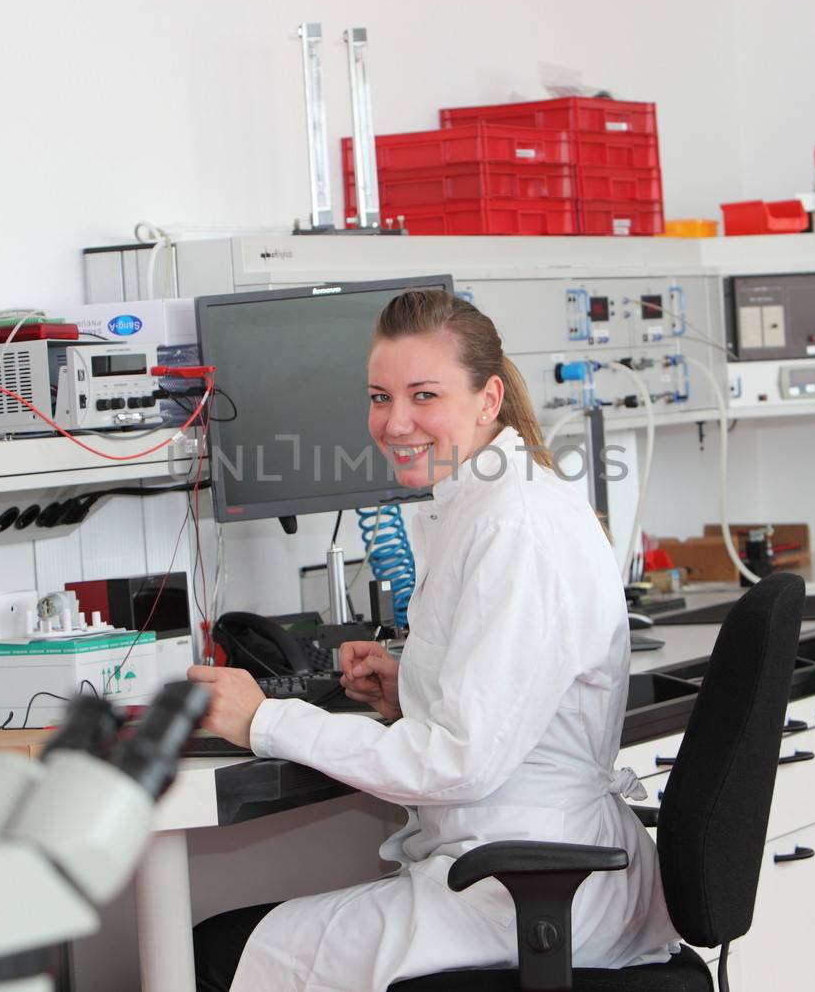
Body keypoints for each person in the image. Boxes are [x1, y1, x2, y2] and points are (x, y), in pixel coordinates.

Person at [187, 288, 679, 991]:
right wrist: (409, 688)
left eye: (424, 394)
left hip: (529, 888)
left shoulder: (515, 525)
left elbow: (460, 760)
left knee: (211, 954)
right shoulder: (491, 502)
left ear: (488, 399)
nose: (394, 421)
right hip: (520, 868)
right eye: (379, 396)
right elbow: (501, 705)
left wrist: (264, 717)